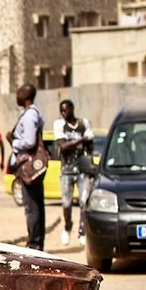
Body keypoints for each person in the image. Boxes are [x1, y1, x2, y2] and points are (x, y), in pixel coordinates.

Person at [6, 85, 46, 250]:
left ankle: (34, 243)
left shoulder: (29, 116)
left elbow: (29, 142)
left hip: (29, 165)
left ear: (25, 95)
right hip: (28, 164)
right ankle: (36, 241)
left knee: (32, 206)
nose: (16, 96)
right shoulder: (31, 113)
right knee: (35, 204)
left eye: (18, 93)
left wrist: (12, 140)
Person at [54, 99, 94, 247]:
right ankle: (67, 226)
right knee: (66, 203)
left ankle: (82, 232)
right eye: (62, 111)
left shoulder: (83, 124)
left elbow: (90, 147)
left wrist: (90, 164)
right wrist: (82, 139)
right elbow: (63, 146)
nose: (64, 113)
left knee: (84, 202)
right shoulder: (60, 125)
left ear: (72, 109)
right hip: (66, 170)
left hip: (82, 170)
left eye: (66, 110)